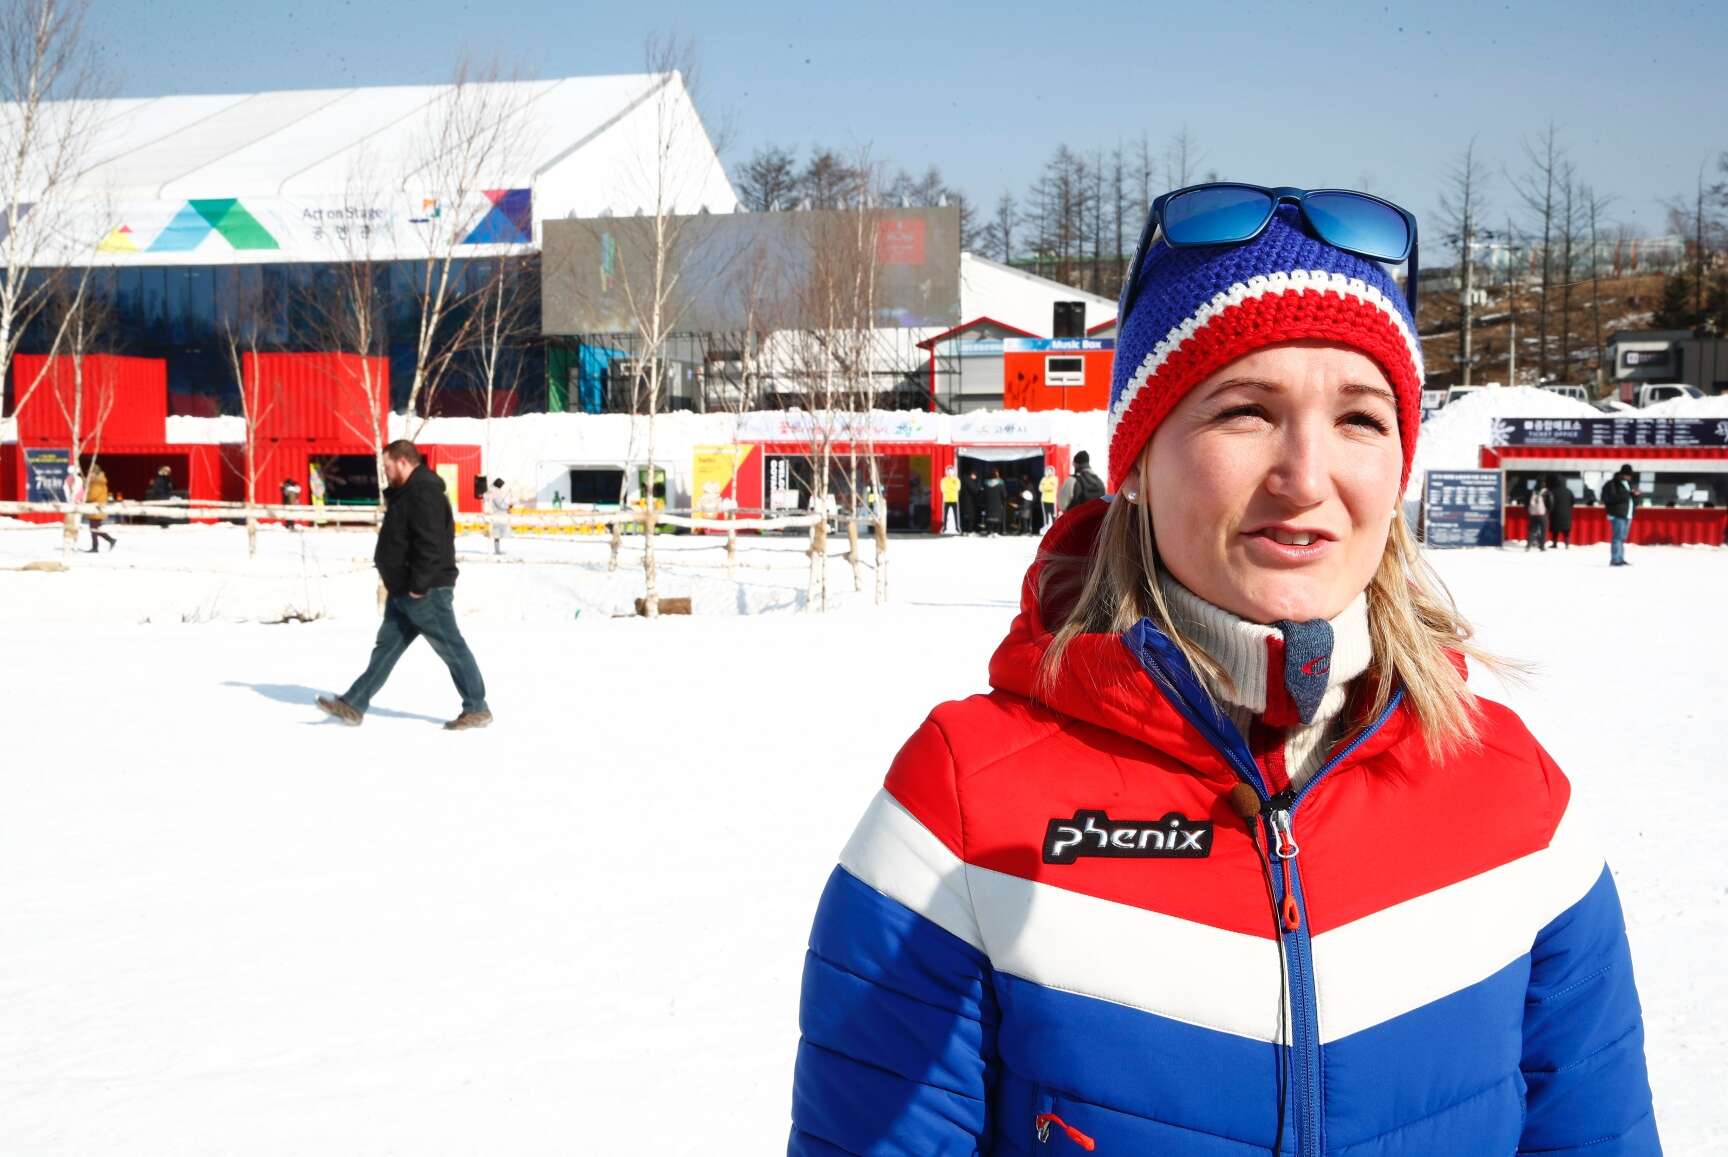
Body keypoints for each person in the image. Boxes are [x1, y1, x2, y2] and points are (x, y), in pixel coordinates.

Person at [788, 194, 1657, 1154]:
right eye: (1246, 410)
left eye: (1360, 418)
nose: (1306, 475)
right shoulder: (955, 810)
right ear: (1135, 461)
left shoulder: (1517, 802)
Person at [317, 441, 492, 730]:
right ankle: (353, 704)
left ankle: (477, 707)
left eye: (387, 466)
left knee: (451, 647)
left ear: (402, 462)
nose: (385, 472)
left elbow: (431, 543)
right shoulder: (407, 492)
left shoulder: (424, 492)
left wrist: (419, 586)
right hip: (404, 589)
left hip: (426, 590)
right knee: (386, 648)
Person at [1602, 463, 1640, 567]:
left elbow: (1634, 501)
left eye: (1630, 475)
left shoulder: (1629, 484)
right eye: (1628, 475)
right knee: (1617, 537)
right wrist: (1628, 494)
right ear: (1622, 474)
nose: (1629, 477)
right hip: (1617, 514)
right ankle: (1615, 559)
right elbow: (1608, 498)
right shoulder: (1612, 484)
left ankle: (1620, 558)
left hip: (1628, 514)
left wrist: (1636, 496)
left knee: (1622, 538)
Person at [1056, 448, 1107, 514]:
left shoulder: (1072, 480)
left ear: (1076, 464)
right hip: (1097, 519)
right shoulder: (1100, 482)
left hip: (1076, 519)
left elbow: (1062, 505)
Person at [85, 465, 116, 552]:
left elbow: (93, 495)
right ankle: (109, 541)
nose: (89, 474)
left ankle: (97, 546)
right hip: (95, 508)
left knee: (94, 529)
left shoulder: (97, 482)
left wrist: (85, 498)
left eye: (90, 473)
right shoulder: (96, 481)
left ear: (94, 473)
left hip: (97, 508)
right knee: (95, 528)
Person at [1547, 472, 1574, 548]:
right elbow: (1572, 502)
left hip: (1555, 513)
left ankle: (1554, 543)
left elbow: (1549, 502)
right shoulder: (1569, 491)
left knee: (1555, 529)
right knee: (1566, 530)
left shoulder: (1552, 491)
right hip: (1566, 514)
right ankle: (1567, 543)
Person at [486, 478, 511, 556]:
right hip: (498, 515)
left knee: (497, 534)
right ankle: (497, 551)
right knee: (497, 534)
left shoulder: (493, 491)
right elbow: (500, 505)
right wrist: (508, 507)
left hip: (497, 515)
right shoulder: (495, 492)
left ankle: (497, 550)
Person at [1524, 477, 1549, 551]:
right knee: (1543, 530)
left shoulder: (1532, 491)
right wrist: (1547, 511)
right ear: (1544, 483)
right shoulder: (1546, 492)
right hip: (1542, 513)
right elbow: (1551, 502)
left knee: (1532, 530)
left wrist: (1529, 510)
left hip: (1533, 513)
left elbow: (1526, 502)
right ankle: (1542, 546)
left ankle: (1528, 545)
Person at [981, 466, 1006, 535]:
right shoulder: (1001, 483)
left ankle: (989, 531)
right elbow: (1004, 495)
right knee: (997, 517)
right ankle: (996, 531)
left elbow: (983, 494)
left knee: (989, 517)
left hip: (988, 503)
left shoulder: (986, 483)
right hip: (998, 503)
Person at [939, 465, 961, 534]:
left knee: (955, 514)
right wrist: (952, 487)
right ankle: (944, 527)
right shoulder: (944, 480)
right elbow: (943, 489)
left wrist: (949, 488)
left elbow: (957, 488)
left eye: (951, 471)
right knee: (945, 515)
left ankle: (957, 527)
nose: (950, 472)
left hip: (954, 499)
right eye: (949, 471)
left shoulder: (956, 480)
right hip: (946, 499)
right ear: (947, 472)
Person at [960, 468, 982, 534]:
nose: (976, 477)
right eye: (976, 475)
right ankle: (969, 531)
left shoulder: (964, 480)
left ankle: (965, 530)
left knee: (966, 516)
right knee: (970, 516)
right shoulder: (969, 480)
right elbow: (975, 490)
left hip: (965, 501)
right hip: (969, 502)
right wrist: (979, 484)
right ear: (972, 474)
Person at [1038, 463, 1059, 529]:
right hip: (1044, 499)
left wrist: (1045, 487)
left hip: (1052, 500)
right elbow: (1040, 488)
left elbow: (1052, 488)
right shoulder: (1043, 479)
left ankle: (1055, 526)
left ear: (1053, 471)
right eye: (1047, 470)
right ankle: (1046, 526)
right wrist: (1047, 486)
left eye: (1050, 471)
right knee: (1045, 514)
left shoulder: (1055, 478)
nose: (1049, 472)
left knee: (1053, 514)